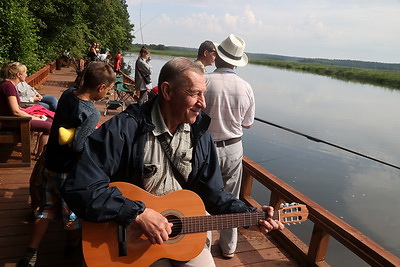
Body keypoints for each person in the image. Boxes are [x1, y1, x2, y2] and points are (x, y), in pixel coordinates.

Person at [62, 57, 283, 266]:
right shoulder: (125, 130)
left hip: (183, 237)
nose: (203, 103)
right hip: (131, 240)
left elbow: (213, 193)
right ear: (167, 91)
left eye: (203, 94)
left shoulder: (201, 135)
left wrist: (247, 215)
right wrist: (137, 213)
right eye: (195, 94)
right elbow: (81, 187)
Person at [17, 62, 116, 267]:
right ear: (100, 87)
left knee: (45, 209)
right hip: (68, 172)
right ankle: (72, 248)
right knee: (71, 214)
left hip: (50, 163)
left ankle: (30, 253)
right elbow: (79, 146)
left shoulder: (68, 94)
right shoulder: (91, 112)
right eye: (109, 89)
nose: (108, 93)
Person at [203, 34, 255, 259]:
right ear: (236, 61)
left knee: (201, 196)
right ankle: (228, 248)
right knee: (232, 198)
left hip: (205, 148)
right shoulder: (246, 87)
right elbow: (248, 124)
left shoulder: (204, 81)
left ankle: (201, 247)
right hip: (234, 148)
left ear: (217, 58)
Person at [0, 62, 52, 159]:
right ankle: (40, 156)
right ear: (18, 75)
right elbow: (15, 111)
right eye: (25, 72)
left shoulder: (8, 85)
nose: (27, 75)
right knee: (49, 126)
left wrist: (35, 116)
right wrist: (34, 117)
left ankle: (39, 153)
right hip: (12, 122)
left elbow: (16, 109)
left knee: (49, 120)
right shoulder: (8, 86)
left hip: (13, 119)